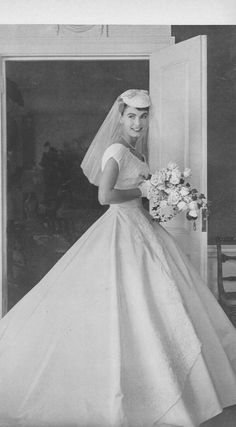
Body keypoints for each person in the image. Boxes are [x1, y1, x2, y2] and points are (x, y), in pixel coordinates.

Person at [0, 89, 236, 427]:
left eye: (143, 117)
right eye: (131, 117)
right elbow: (105, 195)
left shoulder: (134, 152)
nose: (138, 123)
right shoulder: (115, 150)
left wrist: (162, 200)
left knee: (159, 302)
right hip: (121, 227)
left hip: (141, 225)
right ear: (121, 118)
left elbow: (142, 195)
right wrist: (144, 190)